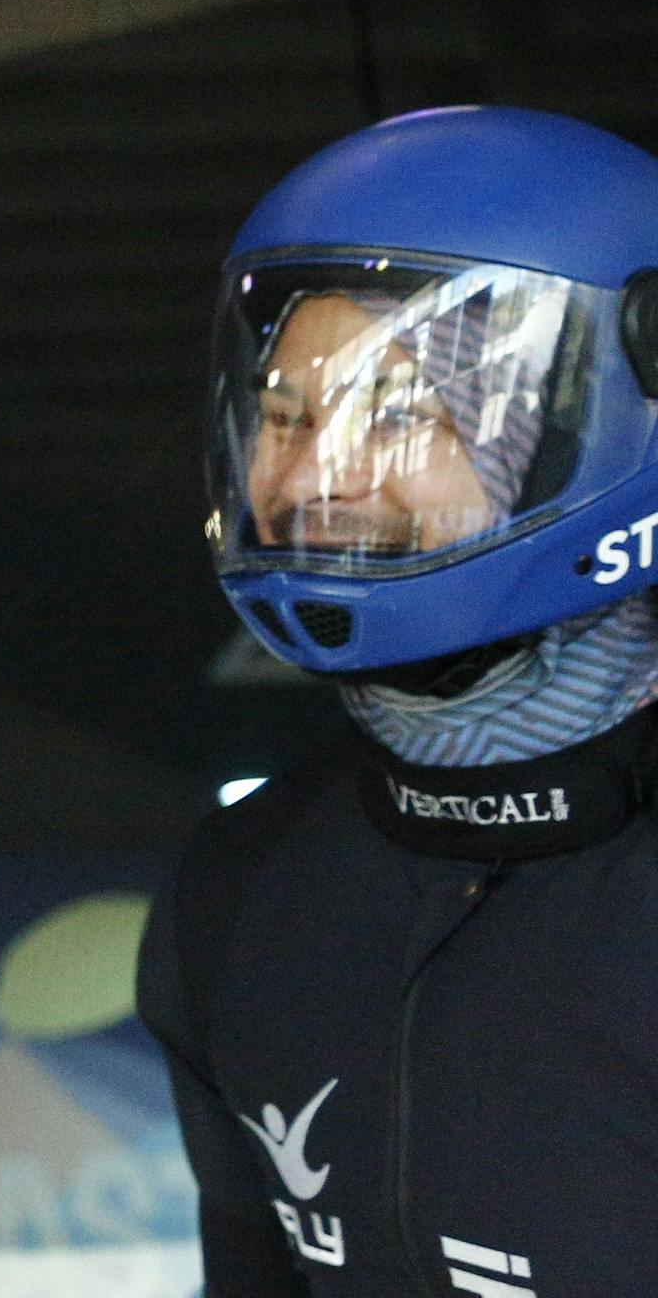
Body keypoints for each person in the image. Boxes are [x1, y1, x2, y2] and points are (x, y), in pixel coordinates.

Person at [141, 105, 658, 1289]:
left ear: (612, 420)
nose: (312, 475)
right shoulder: (239, 895)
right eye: (283, 413)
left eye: (400, 410)